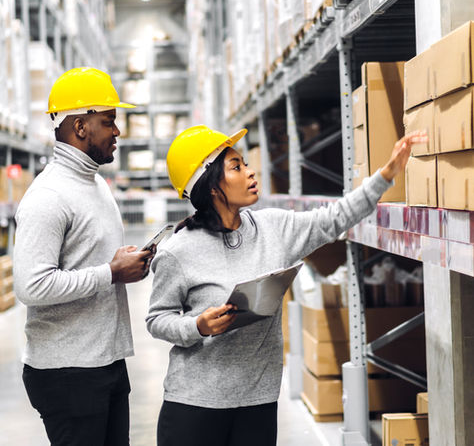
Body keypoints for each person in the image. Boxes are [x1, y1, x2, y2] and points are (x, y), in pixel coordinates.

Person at [146, 124, 427, 446]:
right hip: (195, 403)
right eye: (237, 167)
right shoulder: (178, 251)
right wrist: (198, 326)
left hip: (257, 400)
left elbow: (334, 218)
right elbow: (157, 320)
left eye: (246, 164)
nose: (251, 173)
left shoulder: (274, 228)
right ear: (210, 185)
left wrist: (387, 174)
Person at [13, 67, 154, 446]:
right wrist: (110, 272)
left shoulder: (96, 184)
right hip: (67, 372)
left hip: (104, 360)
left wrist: (124, 263)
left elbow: (89, 260)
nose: (117, 132)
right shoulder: (49, 196)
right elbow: (31, 285)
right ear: (80, 127)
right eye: (108, 121)